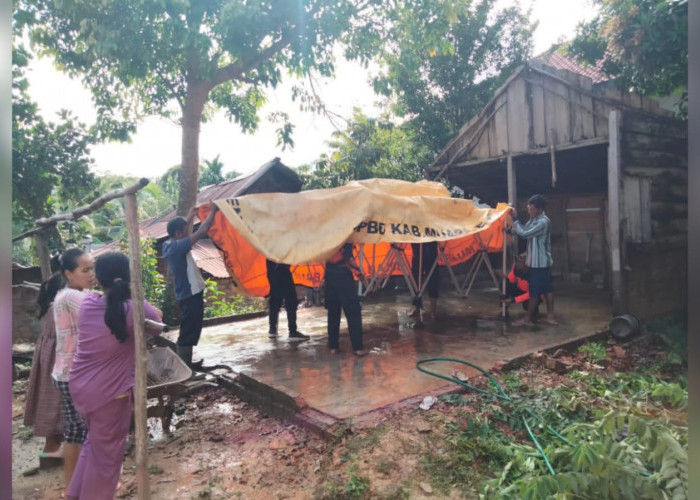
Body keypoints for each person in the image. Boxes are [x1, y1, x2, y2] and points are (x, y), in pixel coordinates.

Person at [67, 252, 162, 500]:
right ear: (131, 278)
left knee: (95, 443)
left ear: (98, 279)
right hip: (110, 393)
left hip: (81, 387)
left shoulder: (88, 304)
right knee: (107, 453)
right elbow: (157, 320)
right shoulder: (133, 309)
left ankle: (74, 494)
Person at [52, 248, 95, 492]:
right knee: (80, 432)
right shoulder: (70, 296)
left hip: (67, 372)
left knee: (76, 431)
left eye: (93, 269)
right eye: (85, 270)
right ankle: (74, 487)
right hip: (72, 374)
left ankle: (74, 487)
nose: (91, 274)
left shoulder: (77, 293)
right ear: (69, 273)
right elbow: (102, 310)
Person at [162, 202, 219, 367]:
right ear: (178, 233)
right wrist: (214, 210)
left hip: (187, 293)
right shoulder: (177, 247)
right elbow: (201, 231)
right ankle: (185, 367)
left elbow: (185, 233)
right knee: (189, 329)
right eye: (184, 230)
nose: (187, 232)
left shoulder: (169, 244)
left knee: (191, 327)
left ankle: (187, 363)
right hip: (190, 293)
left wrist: (190, 214)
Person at [24, 270, 65, 458]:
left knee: (53, 401)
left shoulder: (50, 307)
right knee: (56, 402)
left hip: (50, 360)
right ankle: (52, 450)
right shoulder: (58, 308)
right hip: (57, 362)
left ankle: (53, 448)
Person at [508, 194, 557, 326]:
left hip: (539, 263)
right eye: (529, 208)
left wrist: (515, 218)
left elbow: (524, 233)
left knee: (535, 291)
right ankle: (550, 317)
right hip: (541, 262)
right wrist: (512, 229)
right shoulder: (534, 219)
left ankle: (527, 318)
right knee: (547, 289)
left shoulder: (543, 222)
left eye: (532, 209)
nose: (529, 211)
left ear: (540, 209)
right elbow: (523, 229)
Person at [325, 243, 367, 356]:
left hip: (329, 275)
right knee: (353, 312)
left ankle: (333, 347)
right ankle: (358, 348)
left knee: (333, 313)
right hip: (343, 276)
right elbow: (348, 258)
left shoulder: (326, 235)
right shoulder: (344, 235)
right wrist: (358, 272)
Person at [266, 259, 309, 341]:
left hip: (272, 271)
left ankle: (272, 329)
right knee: (291, 300)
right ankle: (292, 332)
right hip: (282, 270)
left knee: (275, 300)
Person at [407, 242, 440, 320]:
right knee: (416, 276)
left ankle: (433, 309)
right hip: (417, 243)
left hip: (429, 242)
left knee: (432, 275)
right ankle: (417, 306)